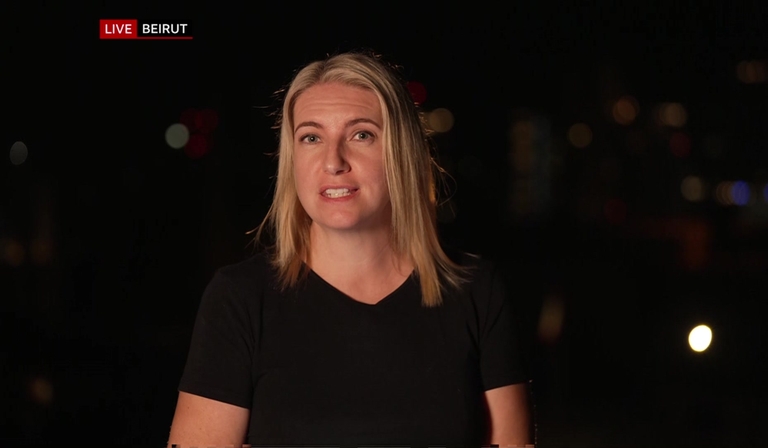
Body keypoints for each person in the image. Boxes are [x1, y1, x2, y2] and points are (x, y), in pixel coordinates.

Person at [167, 50, 533, 448]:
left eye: (362, 135)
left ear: (402, 151)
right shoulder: (239, 299)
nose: (333, 161)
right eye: (311, 137)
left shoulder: (478, 291)